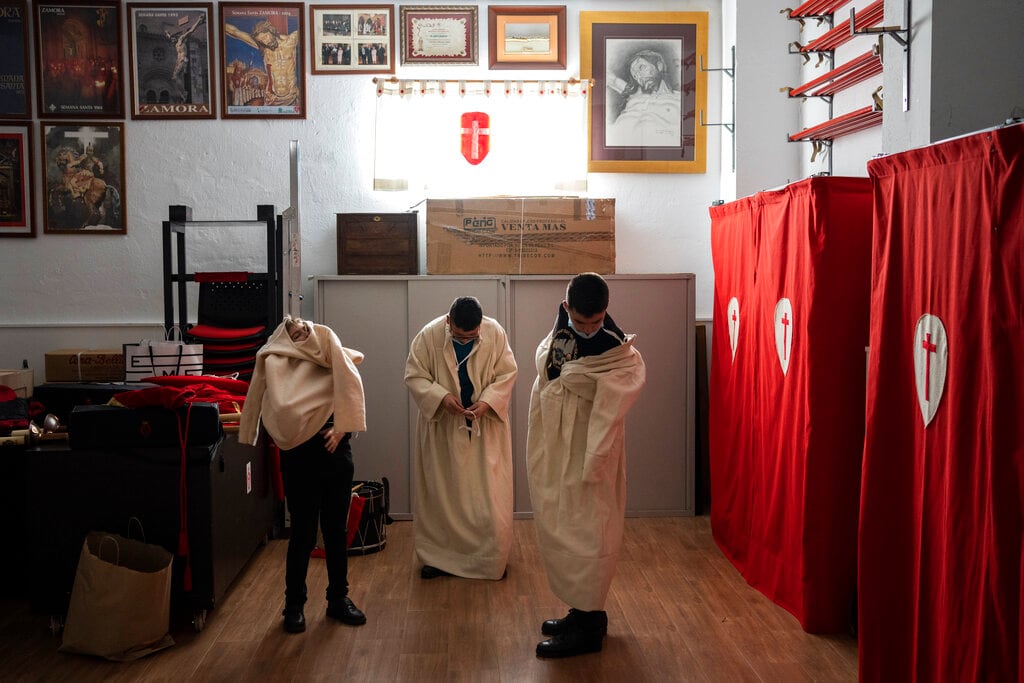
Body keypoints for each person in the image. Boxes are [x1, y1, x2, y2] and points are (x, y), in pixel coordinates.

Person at [526, 273, 646, 658]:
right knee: (566, 525)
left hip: (594, 449)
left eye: (596, 322)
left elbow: (619, 389)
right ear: (567, 309)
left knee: (591, 531)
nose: (589, 329)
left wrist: (578, 379)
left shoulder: (617, 348)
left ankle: (590, 627)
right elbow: (548, 372)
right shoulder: (561, 331)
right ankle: (582, 612)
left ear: (606, 312)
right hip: (562, 446)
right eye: (581, 322)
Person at [239, 316, 368, 633]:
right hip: (297, 455)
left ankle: (339, 599)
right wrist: (252, 432)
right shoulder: (275, 361)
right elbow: (267, 402)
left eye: (303, 328)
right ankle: (293, 606)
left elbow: (350, 386)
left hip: (335, 451)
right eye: (294, 332)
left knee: (336, 531)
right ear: (285, 338)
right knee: (303, 534)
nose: (301, 332)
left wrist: (342, 428)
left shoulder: (329, 347)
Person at [404, 296, 518, 581]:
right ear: (448, 322)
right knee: (443, 493)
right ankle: (439, 559)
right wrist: (441, 398)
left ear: (480, 325)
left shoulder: (494, 332)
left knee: (488, 496)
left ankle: (489, 558)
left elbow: (507, 373)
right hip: (444, 425)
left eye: (473, 335)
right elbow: (414, 375)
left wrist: (488, 402)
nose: (467, 339)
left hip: (484, 423)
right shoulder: (428, 335)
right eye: (459, 336)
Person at [605, 48, 682, 148]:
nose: (639, 76)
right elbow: (611, 80)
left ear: (659, 66)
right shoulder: (635, 97)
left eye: (641, 68)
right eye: (635, 75)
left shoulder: (680, 99)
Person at [224, 18, 301, 106]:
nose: (265, 41)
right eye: (262, 40)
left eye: (265, 36)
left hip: (292, 97)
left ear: (271, 31)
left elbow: (309, 29)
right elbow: (235, 32)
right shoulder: (264, 48)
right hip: (272, 99)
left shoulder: (291, 41)